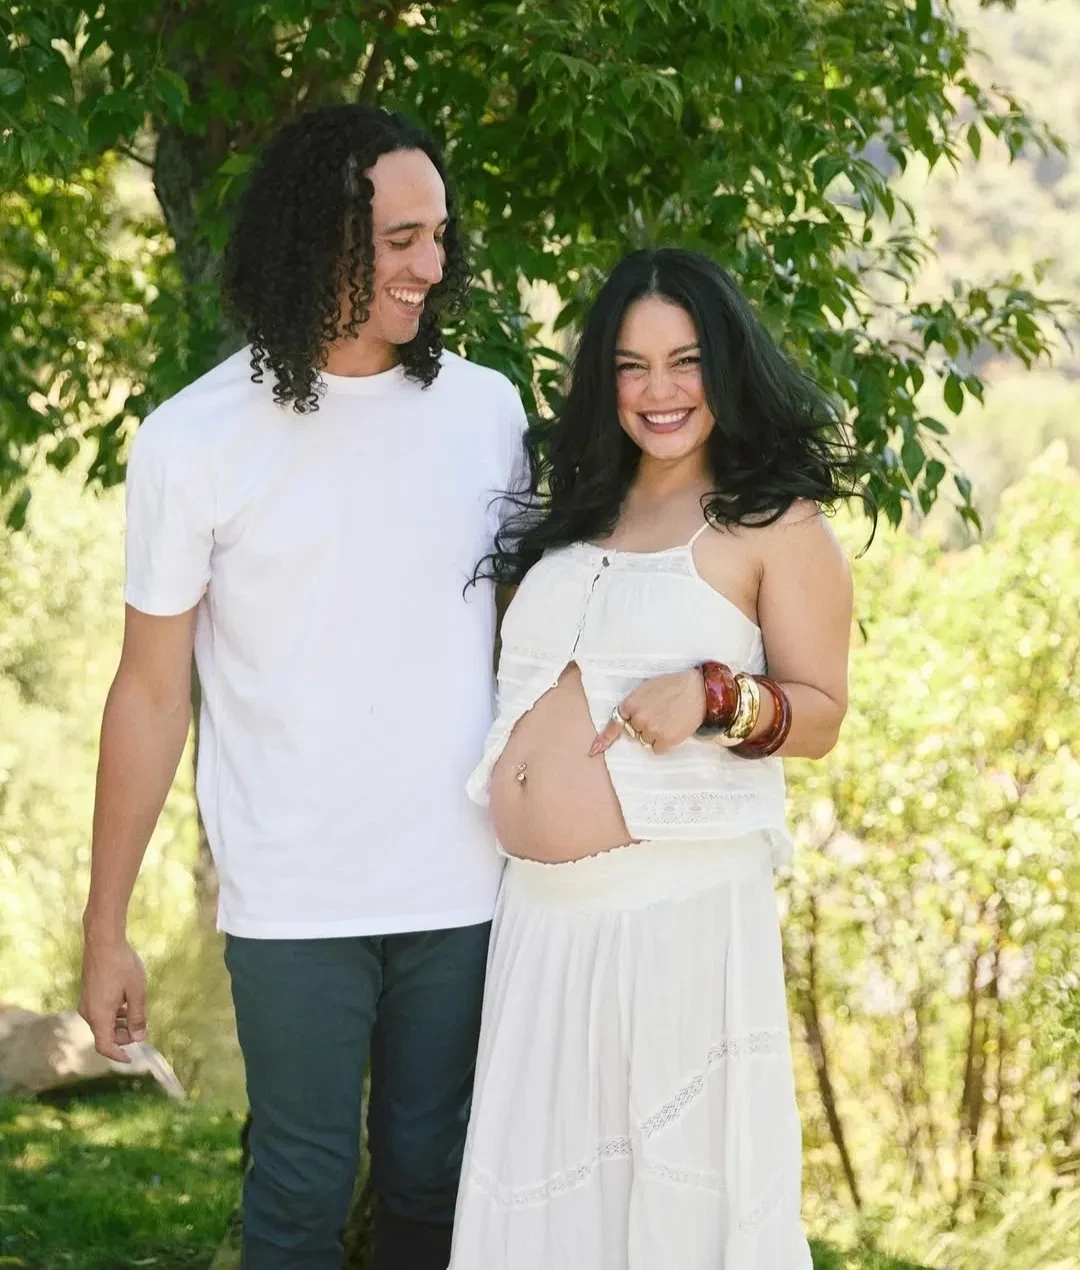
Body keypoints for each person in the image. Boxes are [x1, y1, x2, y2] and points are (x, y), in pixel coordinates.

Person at [77, 104, 528, 1270]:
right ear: (316, 238)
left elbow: (534, 640)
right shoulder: (194, 439)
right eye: (400, 241)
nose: (433, 266)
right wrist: (105, 926)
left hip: (465, 880)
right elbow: (150, 694)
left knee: (437, 1183)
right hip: (294, 895)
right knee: (298, 1193)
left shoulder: (487, 412)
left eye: (440, 236)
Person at [450, 247, 868, 1269]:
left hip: (675, 917)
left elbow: (821, 715)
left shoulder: (775, 525)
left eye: (685, 362)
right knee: (546, 1215)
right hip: (539, 922)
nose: (659, 390)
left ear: (725, 366)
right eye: (631, 366)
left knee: (674, 1207)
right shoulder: (575, 513)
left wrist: (718, 695)